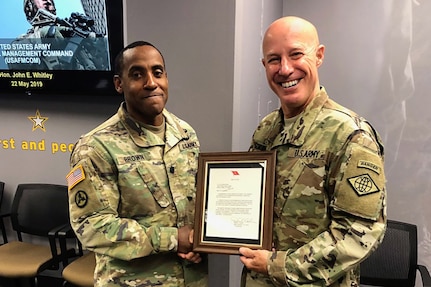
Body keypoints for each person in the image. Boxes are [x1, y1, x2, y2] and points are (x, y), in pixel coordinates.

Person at [238, 16, 387, 287]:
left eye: (296, 54)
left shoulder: (350, 135)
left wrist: (278, 266)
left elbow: (359, 232)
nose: (284, 69)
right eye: (273, 59)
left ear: (318, 56)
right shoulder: (267, 130)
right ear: (264, 65)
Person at [66, 41, 208, 287]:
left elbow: (197, 204)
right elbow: (91, 226)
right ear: (119, 84)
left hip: (191, 278)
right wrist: (174, 239)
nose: (151, 82)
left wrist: (201, 239)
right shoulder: (95, 147)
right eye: (137, 74)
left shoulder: (185, 134)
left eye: (157, 72)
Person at [8, 0, 108, 70]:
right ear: (30, 7)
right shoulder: (28, 38)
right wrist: (45, 35)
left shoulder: (74, 28)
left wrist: (98, 44)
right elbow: (14, 58)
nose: (47, 0)